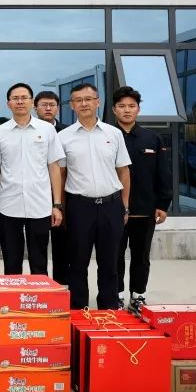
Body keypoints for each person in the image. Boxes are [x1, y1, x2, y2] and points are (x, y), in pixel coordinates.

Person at [59, 83, 132, 311]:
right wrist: (61, 207)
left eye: (88, 99)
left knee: (110, 262)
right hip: (79, 207)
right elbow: (61, 174)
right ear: (72, 105)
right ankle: (78, 310)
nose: (84, 104)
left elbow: (124, 171)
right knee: (77, 262)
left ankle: (108, 310)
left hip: (111, 205)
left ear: (97, 102)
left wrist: (125, 206)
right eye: (78, 100)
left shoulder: (114, 134)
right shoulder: (63, 137)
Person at [0, 83, 65, 276]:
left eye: (24, 98)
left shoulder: (47, 130)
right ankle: (14, 296)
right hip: (7, 205)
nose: (20, 102)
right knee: (11, 263)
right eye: (15, 98)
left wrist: (57, 204)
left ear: (32, 102)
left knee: (39, 262)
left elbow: (54, 168)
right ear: (8, 104)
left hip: (40, 205)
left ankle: (39, 295)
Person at [112, 86, 172, 313]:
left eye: (131, 106)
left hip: (145, 210)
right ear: (114, 110)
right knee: (114, 256)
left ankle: (138, 296)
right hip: (114, 209)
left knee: (141, 256)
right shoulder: (107, 136)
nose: (127, 110)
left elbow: (163, 173)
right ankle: (116, 296)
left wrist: (163, 204)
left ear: (138, 109)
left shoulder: (152, 138)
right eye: (122, 106)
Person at [33, 89, 70, 284]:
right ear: (35, 107)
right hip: (36, 196)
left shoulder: (68, 132)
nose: (48, 108)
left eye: (52, 105)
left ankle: (60, 285)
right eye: (43, 105)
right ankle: (39, 285)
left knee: (62, 245)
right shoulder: (28, 129)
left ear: (58, 108)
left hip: (61, 196)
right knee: (37, 246)